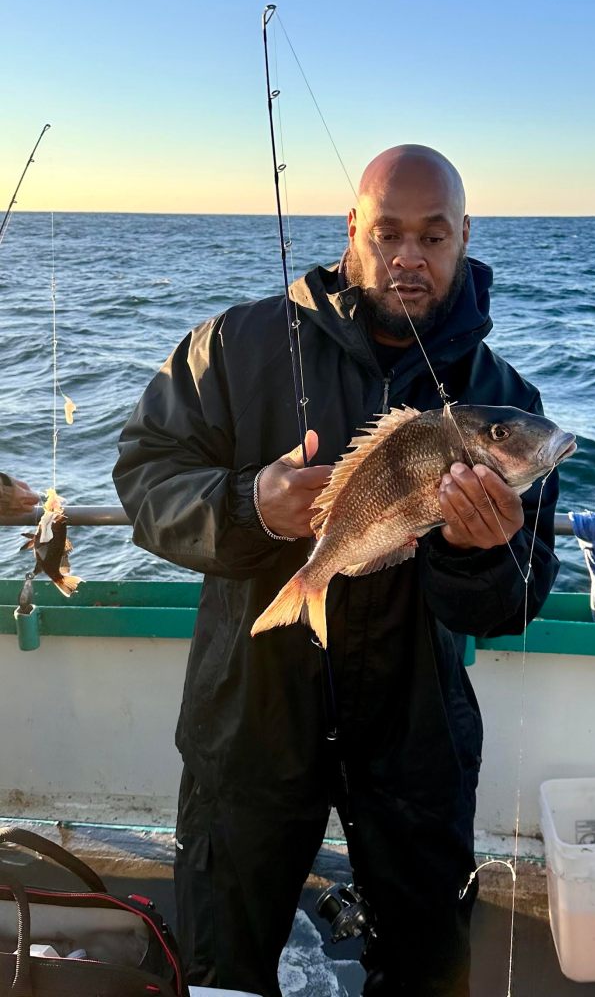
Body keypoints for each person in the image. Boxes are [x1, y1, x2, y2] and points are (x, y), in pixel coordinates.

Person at [113, 144, 560, 997]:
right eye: (389, 231)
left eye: (433, 235)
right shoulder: (234, 346)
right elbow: (143, 476)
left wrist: (474, 553)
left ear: (465, 237)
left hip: (416, 733)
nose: (409, 257)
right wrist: (252, 502)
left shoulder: (505, 405)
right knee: (223, 971)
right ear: (353, 229)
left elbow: (515, 597)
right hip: (247, 718)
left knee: (431, 968)